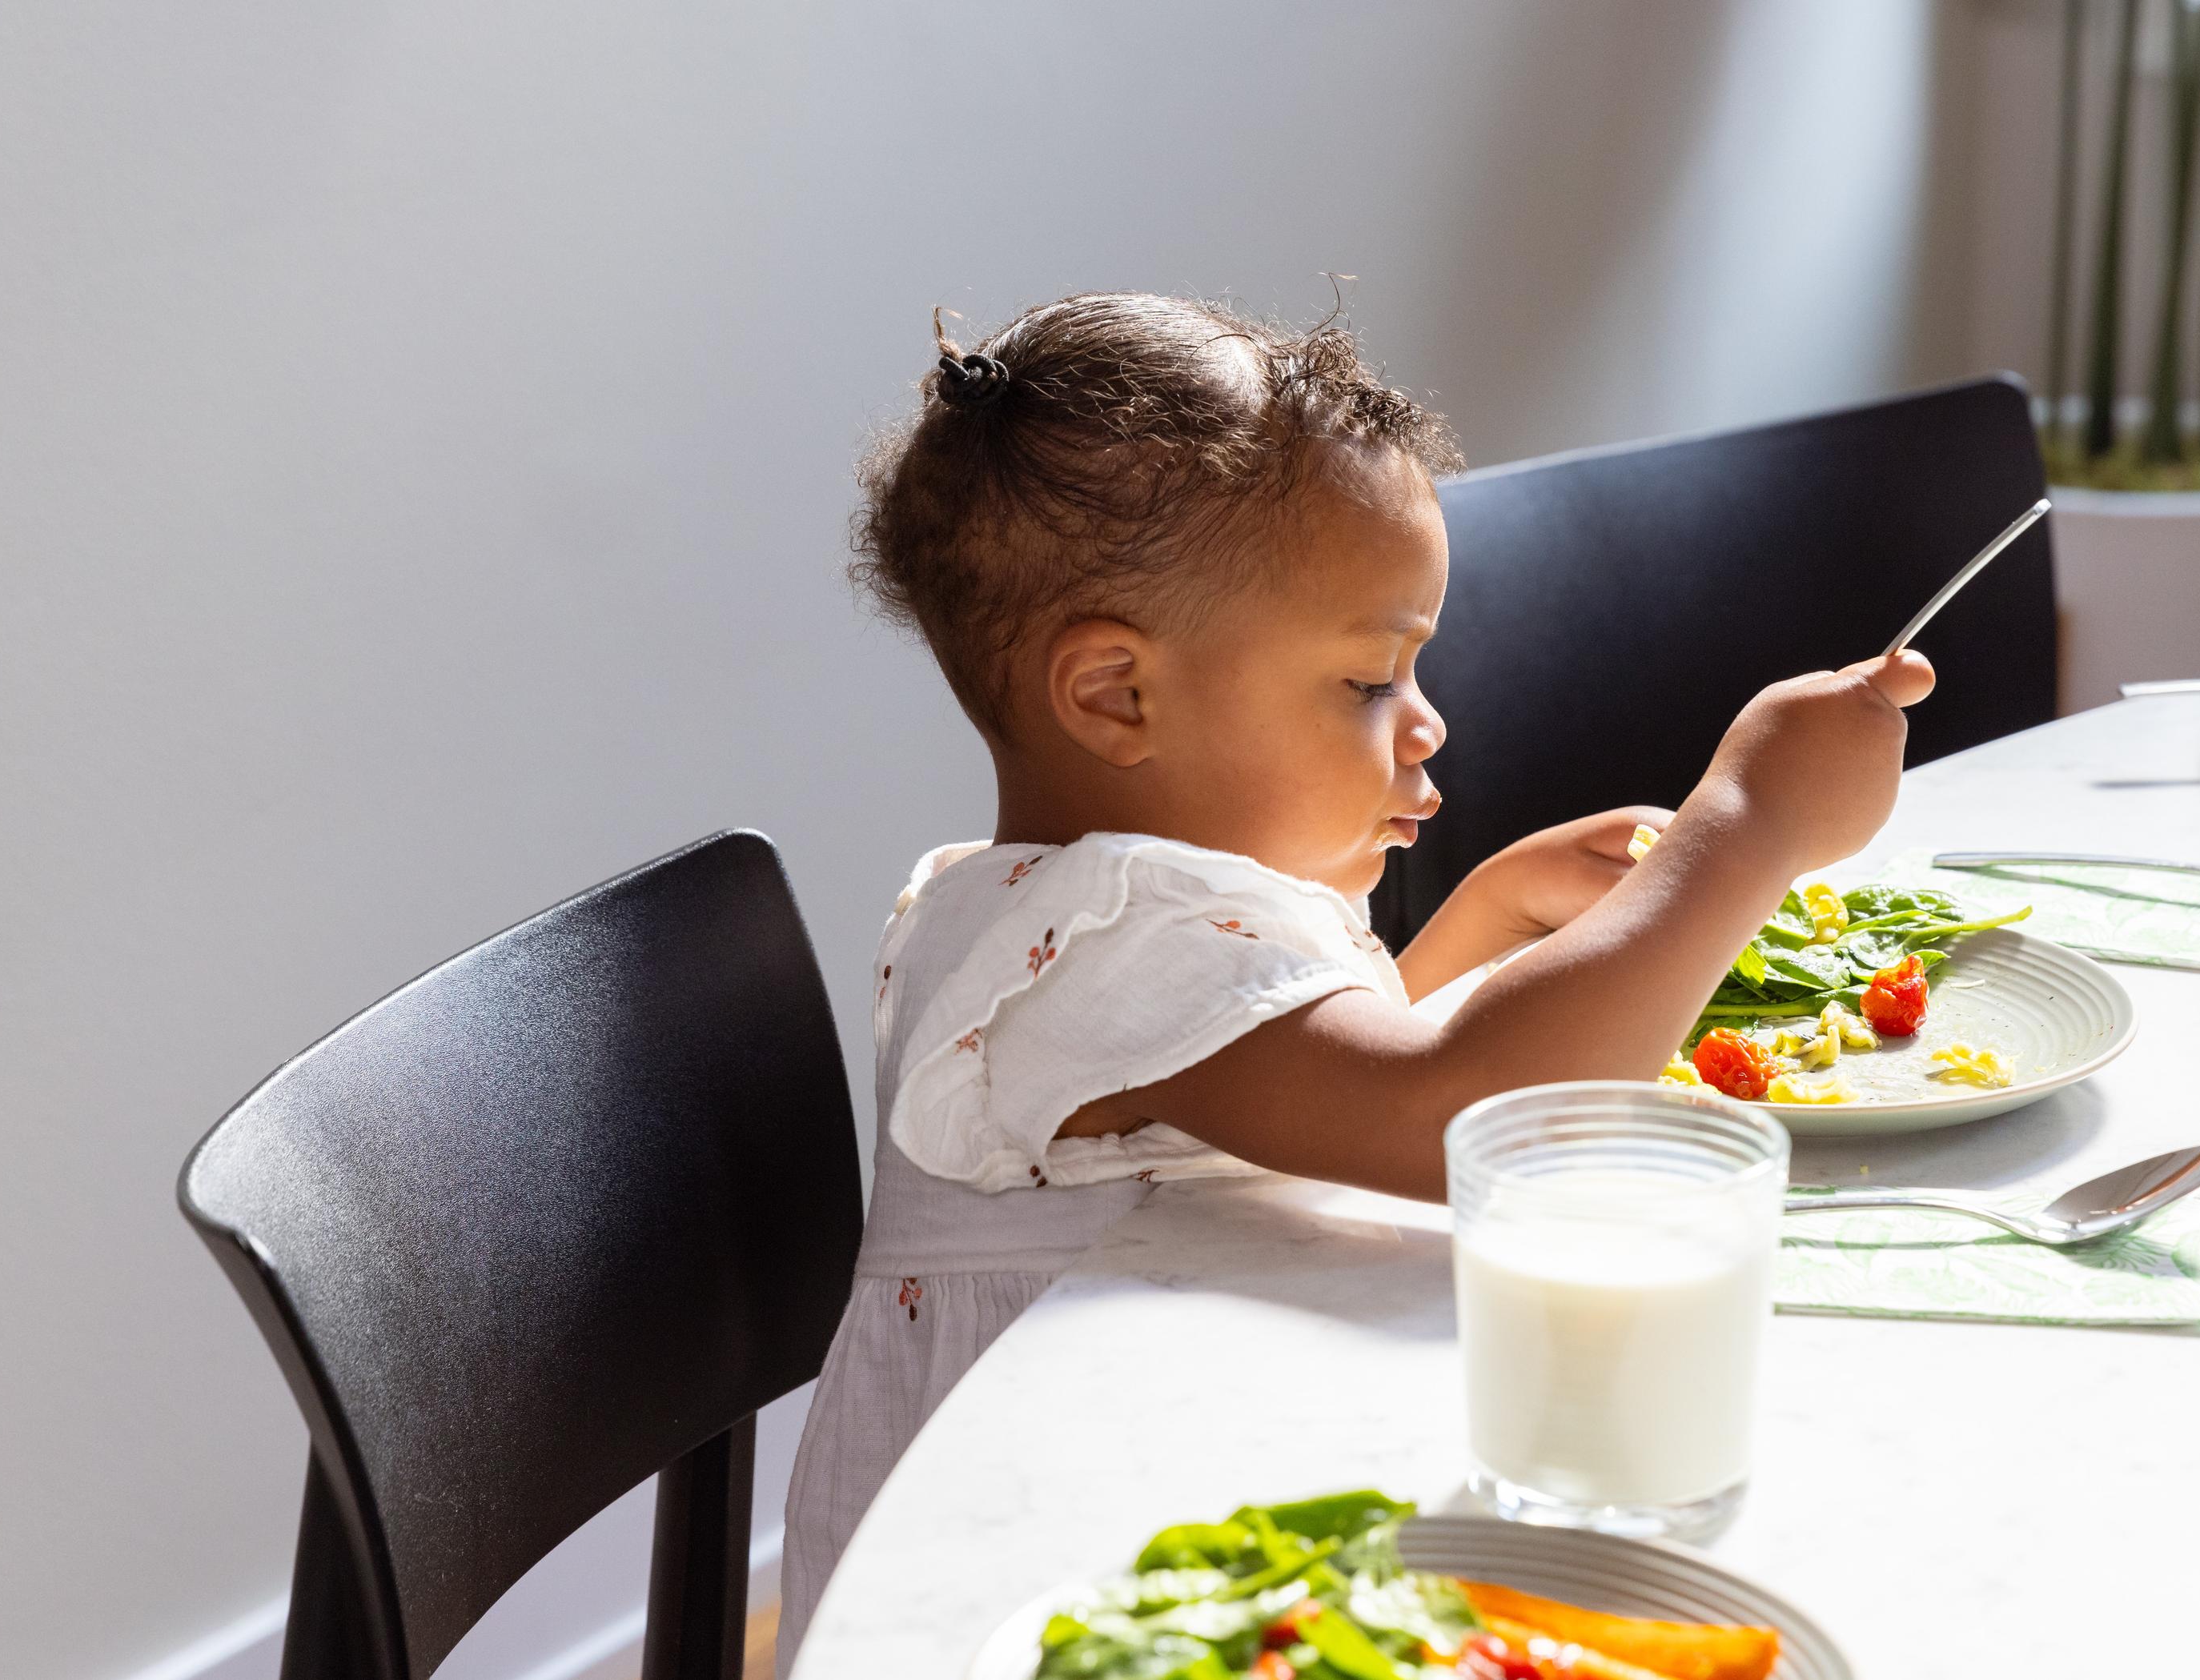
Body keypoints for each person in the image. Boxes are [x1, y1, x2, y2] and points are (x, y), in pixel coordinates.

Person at [777, 293, 1929, 1658]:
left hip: (1173, 1505)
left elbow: (1306, 1103)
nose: (1425, 721)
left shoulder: (1075, 913)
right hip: (1034, 1593)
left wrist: (1492, 912)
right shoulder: (1099, 941)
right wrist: (1748, 827)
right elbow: (1457, 1117)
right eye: (1371, 680)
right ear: (1115, 697)